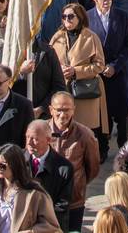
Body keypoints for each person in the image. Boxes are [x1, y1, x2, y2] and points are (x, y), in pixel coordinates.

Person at [49, 3, 108, 141]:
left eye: (70, 17)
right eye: (64, 17)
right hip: (63, 89)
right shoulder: (57, 37)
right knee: (62, 127)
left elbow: (99, 65)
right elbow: (49, 61)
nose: (66, 20)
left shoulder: (91, 37)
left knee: (84, 131)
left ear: (80, 17)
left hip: (84, 91)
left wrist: (76, 71)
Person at [87, 0, 128, 157]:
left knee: (122, 116)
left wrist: (115, 66)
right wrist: (97, 67)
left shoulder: (122, 17)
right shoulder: (88, 17)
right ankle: (102, 148)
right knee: (101, 116)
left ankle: (125, 150)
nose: (107, 0)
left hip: (118, 74)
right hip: (98, 76)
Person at [47, 92, 100, 233]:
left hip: (73, 202)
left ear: (74, 110)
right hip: (45, 201)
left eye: (67, 110)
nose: (62, 114)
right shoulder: (42, 131)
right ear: (51, 110)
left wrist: (77, 184)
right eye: (59, 110)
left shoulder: (85, 135)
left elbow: (93, 168)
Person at [0, 144, 60, 233]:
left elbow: (51, 226)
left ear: (15, 165)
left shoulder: (35, 194)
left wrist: (30, 232)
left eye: (3, 165)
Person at [24, 120, 73, 228]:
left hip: (50, 226)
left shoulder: (63, 168)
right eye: (27, 137)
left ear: (48, 140)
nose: (29, 143)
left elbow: (62, 205)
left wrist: (40, 225)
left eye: (35, 139)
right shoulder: (19, 161)